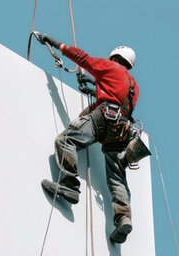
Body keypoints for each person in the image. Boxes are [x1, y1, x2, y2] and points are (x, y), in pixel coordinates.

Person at [36, 32, 140, 244]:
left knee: (66, 140)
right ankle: (124, 218)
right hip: (121, 130)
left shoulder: (111, 67)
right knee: (117, 177)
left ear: (115, 57)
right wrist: (94, 87)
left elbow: (82, 58)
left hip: (104, 119)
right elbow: (116, 95)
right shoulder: (134, 86)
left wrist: (54, 43)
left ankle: (70, 185)